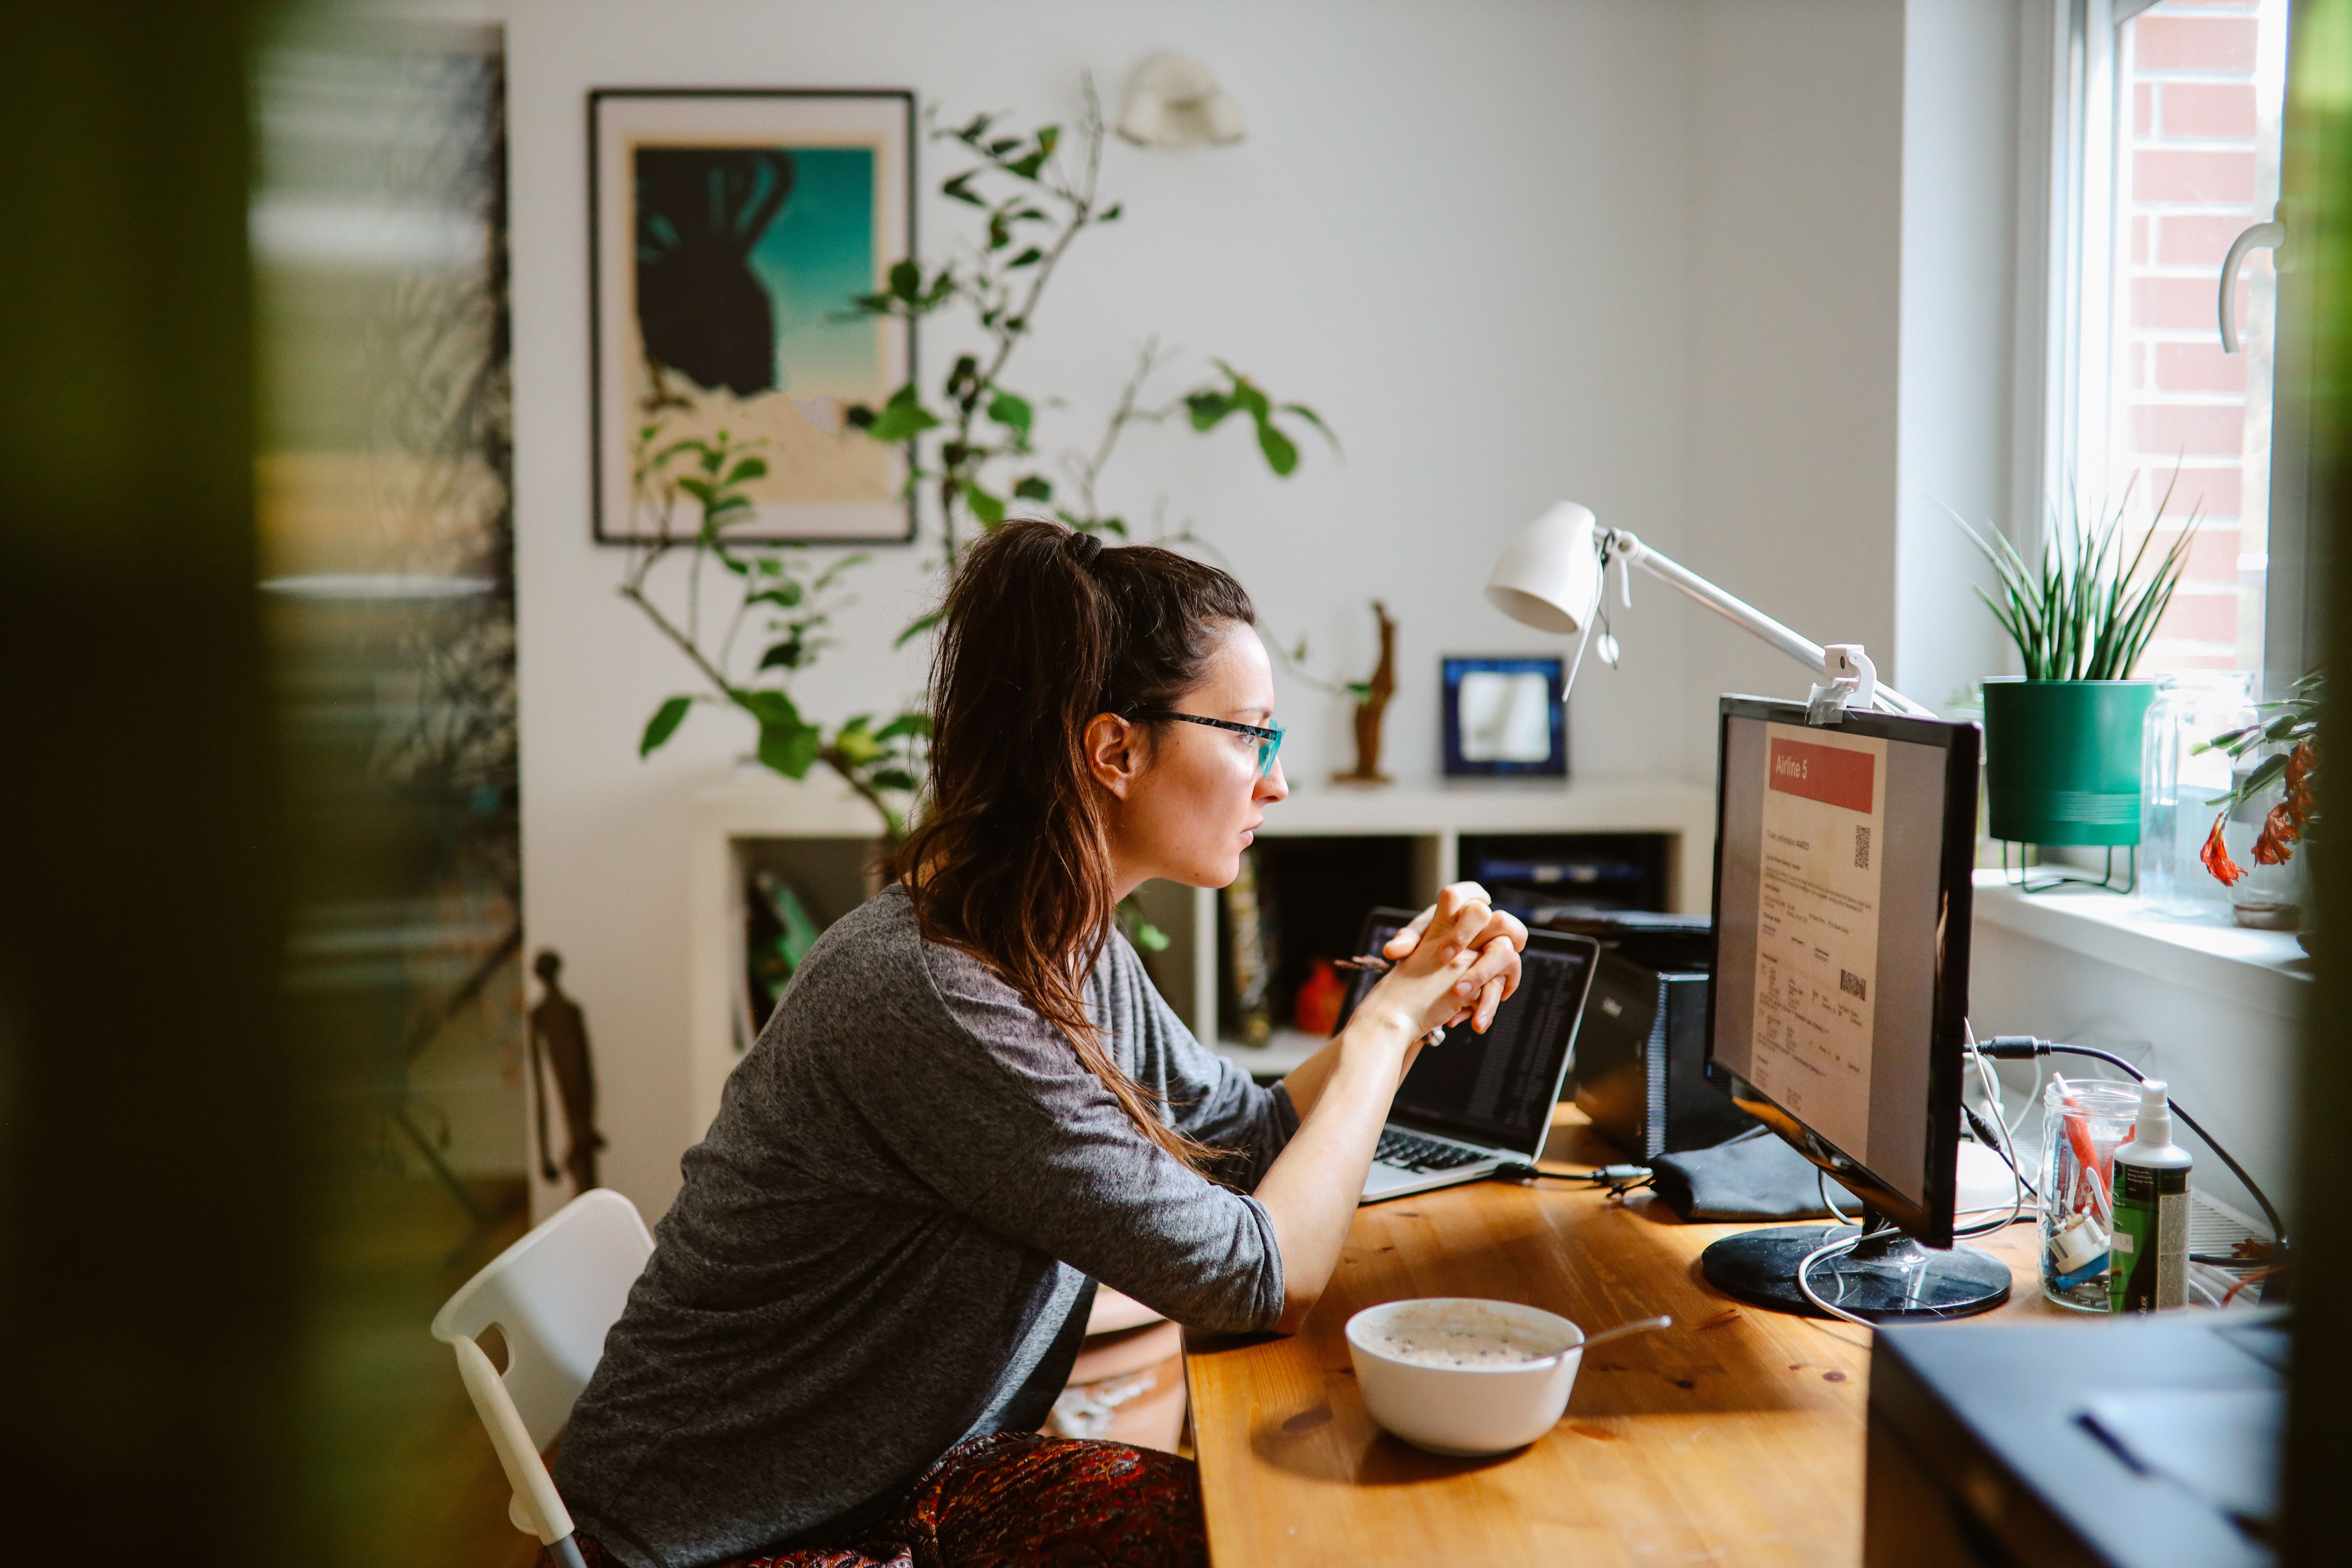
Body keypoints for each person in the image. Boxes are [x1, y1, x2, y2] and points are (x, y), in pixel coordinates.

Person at [555, 521, 1527, 1568]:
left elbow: (1242, 1140)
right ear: (1115, 750)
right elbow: (1261, 1281)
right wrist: (1381, 1026)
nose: (1275, 782)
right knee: (1274, 1534)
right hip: (723, 1544)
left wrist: (1410, 1004)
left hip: (895, 1483)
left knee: (1279, 1529)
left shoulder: (1057, 936)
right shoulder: (940, 996)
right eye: (1251, 735)